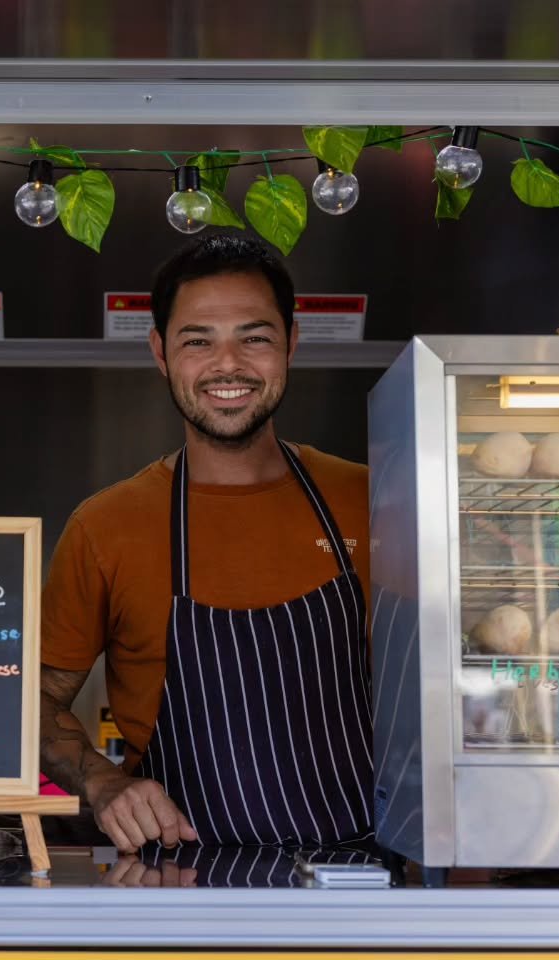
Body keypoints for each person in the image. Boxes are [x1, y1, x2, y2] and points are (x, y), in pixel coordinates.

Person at [39, 235, 374, 854]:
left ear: (291, 344)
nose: (228, 364)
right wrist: (104, 783)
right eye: (198, 340)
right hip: (179, 885)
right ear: (161, 353)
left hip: (361, 878)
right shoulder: (105, 526)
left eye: (255, 337)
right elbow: (33, 699)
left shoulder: (375, 500)